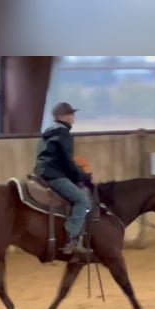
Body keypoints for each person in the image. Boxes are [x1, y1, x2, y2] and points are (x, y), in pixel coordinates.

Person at [33, 102, 94, 255]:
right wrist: (82, 176)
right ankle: (72, 238)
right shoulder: (63, 134)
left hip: (42, 172)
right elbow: (67, 162)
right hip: (55, 175)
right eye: (70, 114)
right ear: (61, 117)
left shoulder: (48, 132)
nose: (73, 116)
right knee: (82, 200)